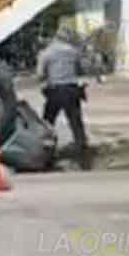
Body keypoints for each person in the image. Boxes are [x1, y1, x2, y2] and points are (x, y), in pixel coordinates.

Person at [36, 24, 91, 168]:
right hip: (72, 90)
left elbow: (40, 75)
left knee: (48, 122)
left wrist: (49, 76)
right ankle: (82, 150)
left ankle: (45, 151)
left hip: (54, 91)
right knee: (76, 123)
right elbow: (81, 69)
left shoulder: (46, 53)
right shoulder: (73, 52)